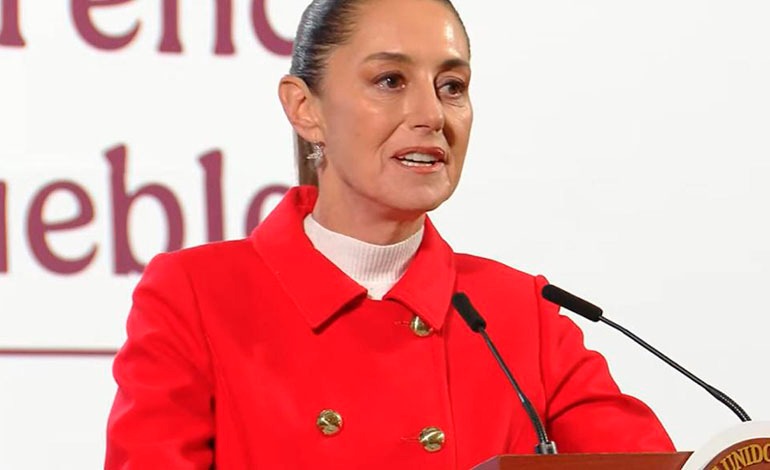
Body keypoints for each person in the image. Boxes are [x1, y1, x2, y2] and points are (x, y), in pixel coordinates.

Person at [105, 0, 675, 468]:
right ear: (304, 108)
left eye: (452, 85)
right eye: (390, 80)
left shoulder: (519, 312)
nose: (432, 114)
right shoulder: (196, 295)